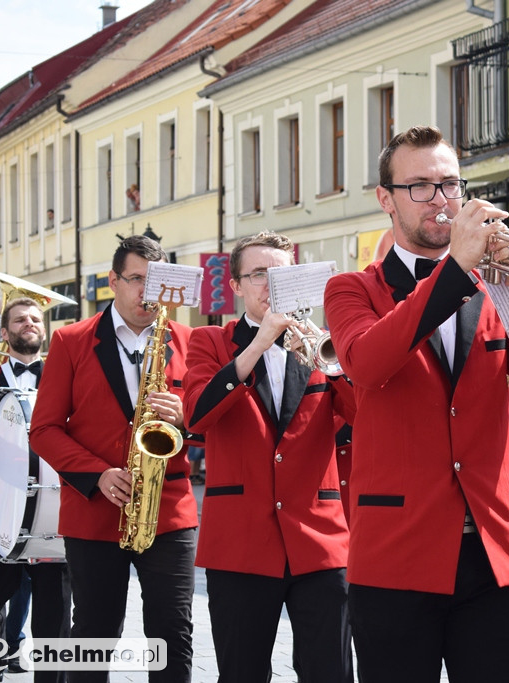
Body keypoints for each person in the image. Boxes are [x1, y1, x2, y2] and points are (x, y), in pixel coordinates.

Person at [324, 125, 509, 683]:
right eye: (420, 186)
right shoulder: (353, 289)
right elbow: (369, 365)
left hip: (498, 557)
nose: (441, 199)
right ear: (386, 199)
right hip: (397, 556)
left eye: (449, 184)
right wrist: (454, 271)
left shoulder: (494, 290)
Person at [183, 231, 356, 683]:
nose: (271, 283)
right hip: (240, 543)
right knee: (242, 672)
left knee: (331, 672)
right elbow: (197, 417)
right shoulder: (210, 341)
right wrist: (258, 344)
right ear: (236, 286)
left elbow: (363, 415)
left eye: (281, 273)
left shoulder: (321, 346)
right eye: (259, 274)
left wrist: (329, 359)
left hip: (319, 541)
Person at [30, 235, 198, 683]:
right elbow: (43, 429)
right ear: (113, 281)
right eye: (137, 279)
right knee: (94, 633)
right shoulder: (71, 340)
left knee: (173, 631)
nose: (147, 292)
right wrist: (97, 474)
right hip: (95, 511)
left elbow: (208, 424)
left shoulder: (190, 340)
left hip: (168, 509)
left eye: (156, 281)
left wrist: (188, 417)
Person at [0, 298, 71, 683]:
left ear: (44, 329)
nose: (29, 324)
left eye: (35, 319)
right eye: (20, 319)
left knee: (56, 606)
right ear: (4, 332)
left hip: (55, 512)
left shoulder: (67, 376)